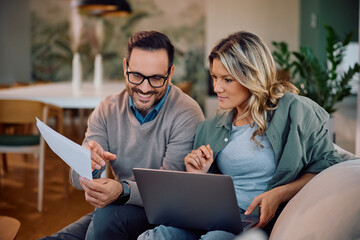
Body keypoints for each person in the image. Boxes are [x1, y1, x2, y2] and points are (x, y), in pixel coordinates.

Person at [138, 31, 342, 240]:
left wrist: (279, 193)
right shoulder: (209, 128)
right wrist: (198, 175)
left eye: (227, 79)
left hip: (254, 222)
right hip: (212, 215)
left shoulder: (294, 110)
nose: (217, 87)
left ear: (251, 76)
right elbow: (207, 193)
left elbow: (326, 165)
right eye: (215, 77)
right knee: (157, 236)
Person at [42, 30, 204, 240]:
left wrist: (122, 190)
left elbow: (168, 192)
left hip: (164, 214)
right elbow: (75, 178)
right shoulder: (106, 109)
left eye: (156, 78)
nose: (145, 88)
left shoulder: (187, 113)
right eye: (136, 75)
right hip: (117, 206)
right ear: (125, 67)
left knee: (106, 219)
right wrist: (88, 167)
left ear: (170, 74)